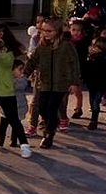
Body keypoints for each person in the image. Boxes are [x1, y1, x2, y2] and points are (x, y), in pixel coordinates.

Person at [23, 19, 80, 149]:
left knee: (52, 108)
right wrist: (25, 73)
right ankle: (50, 125)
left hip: (60, 83)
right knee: (42, 107)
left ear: (57, 31)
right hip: (45, 82)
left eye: (49, 31)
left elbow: (74, 64)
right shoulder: (42, 45)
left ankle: (48, 134)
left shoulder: (66, 46)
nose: (46, 33)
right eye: (44, 30)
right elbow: (33, 61)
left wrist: (74, 82)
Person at [0, 21, 31, 158]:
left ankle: (24, 144)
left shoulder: (8, 49)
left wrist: (0, 52)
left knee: (13, 118)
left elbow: (8, 64)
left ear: (1, 33)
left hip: (5, 88)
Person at [84, 36, 106, 130]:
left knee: (96, 102)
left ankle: (94, 120)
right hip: (91, 82)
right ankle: (93, 116)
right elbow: (87, 69)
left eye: (95, 46)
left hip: (101, 84)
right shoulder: (91, 56)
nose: (93, 48)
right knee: (92, 101)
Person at [0, 59, 29, 144]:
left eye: (22, 69)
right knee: (3, 123)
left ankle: (14, 140)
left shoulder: (22, 79)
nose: (22, 71)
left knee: (16, 124)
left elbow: (21, 86)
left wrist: (16, 80)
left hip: (19, 106)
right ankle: (1, 138)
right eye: (20, 69)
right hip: (7, 105)